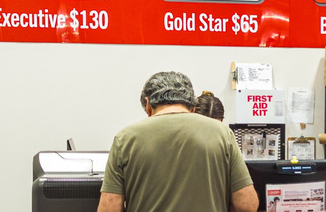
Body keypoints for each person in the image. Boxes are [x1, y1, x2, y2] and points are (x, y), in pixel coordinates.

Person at [97, 71, 258, 212]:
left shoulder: (124, 139)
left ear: (148, 105)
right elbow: (247, 205)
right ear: (192, 108)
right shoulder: (223, 134)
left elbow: (109, 208)